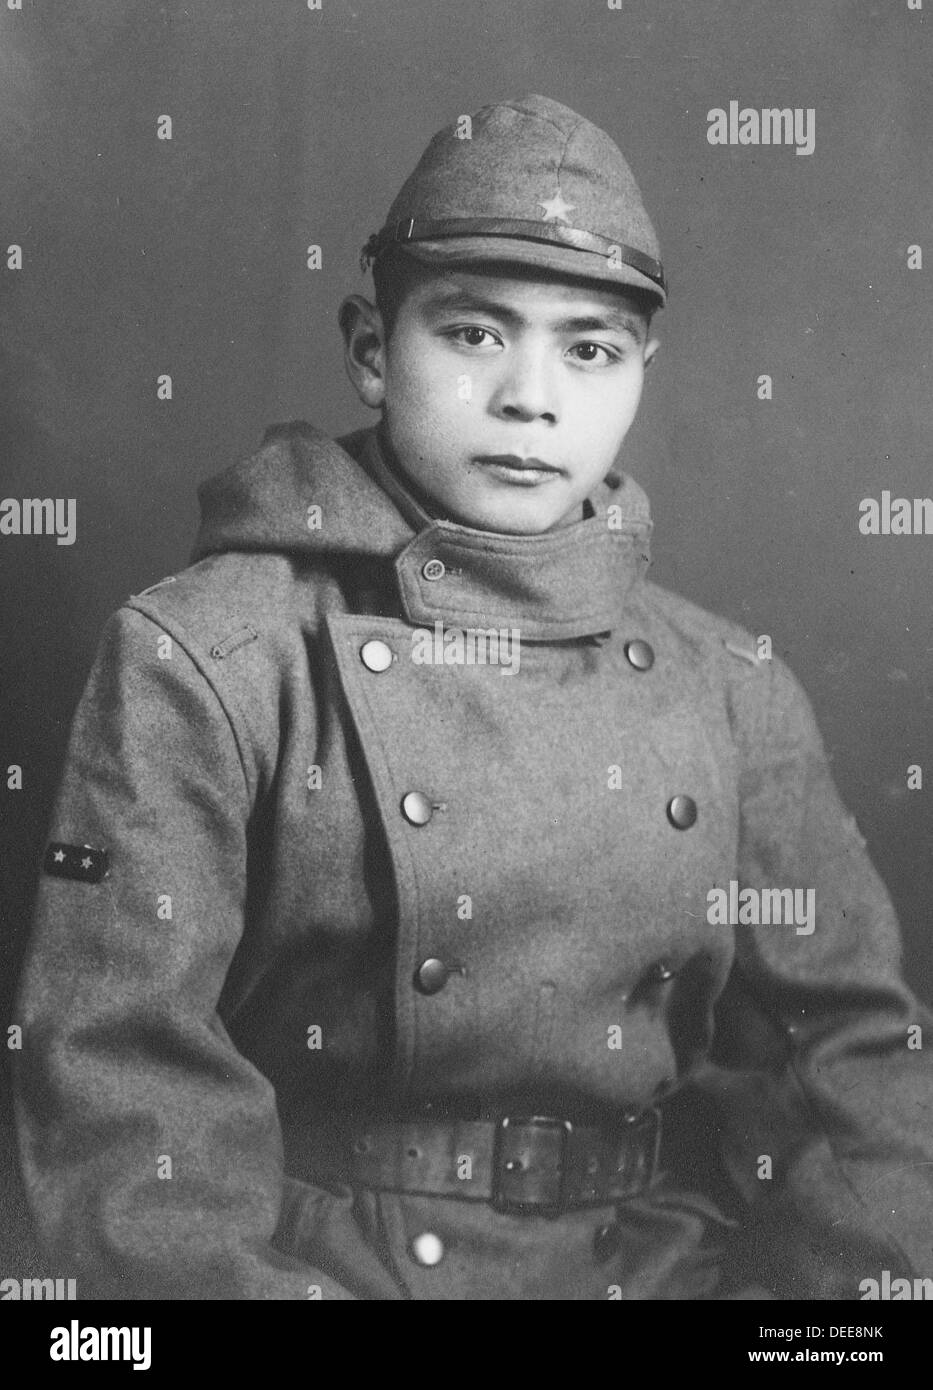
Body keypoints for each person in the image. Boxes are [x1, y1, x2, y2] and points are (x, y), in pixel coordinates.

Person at [14, 94, 933, 1301]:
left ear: (641, 372)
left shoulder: (731, 686)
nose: (531, 398)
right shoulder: (208, 658)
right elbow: (127, 1106)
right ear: (371, 346)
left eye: (589, 347)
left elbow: (856, 1067)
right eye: (474, 332)